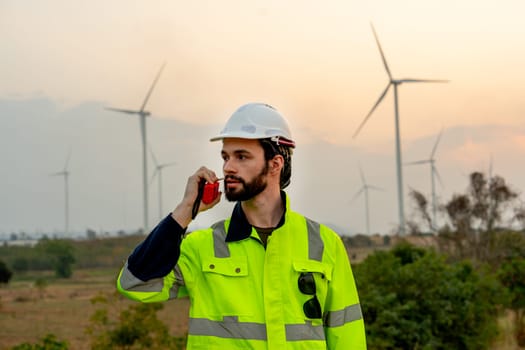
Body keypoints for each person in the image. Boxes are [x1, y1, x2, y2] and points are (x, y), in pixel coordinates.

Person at [117, 103, 367, 349]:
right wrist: (185, 210)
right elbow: (135, 284)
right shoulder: (202, 247)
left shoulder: (325, 244)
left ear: (275, 164)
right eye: (225, 157)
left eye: (241, 156)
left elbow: (348, 337)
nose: (228, 167)